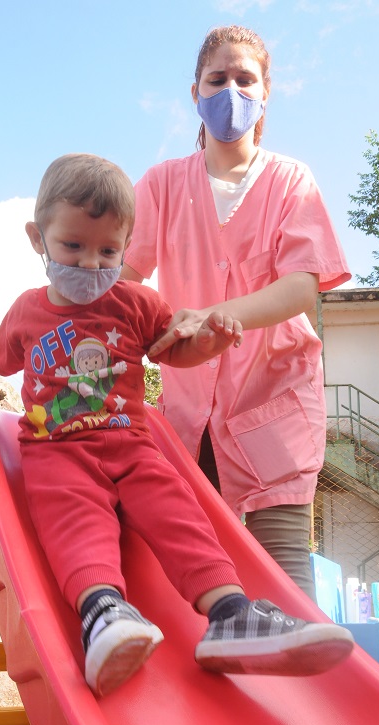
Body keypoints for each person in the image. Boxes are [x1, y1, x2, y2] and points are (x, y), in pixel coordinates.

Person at [0, 153, 353, 697]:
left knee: (180, 513)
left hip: (131, 444)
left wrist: (212, 339)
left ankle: (230, 612)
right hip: (56, 451)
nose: (88, 264)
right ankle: (103, 611)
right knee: (73, 519)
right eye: (73, 246)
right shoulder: (28, 312)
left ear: (127, 245)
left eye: (108, 251)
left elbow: (176, 349)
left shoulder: (134, 302)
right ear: (39, 238)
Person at [123, 25, 351, 602]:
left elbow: (302, 286)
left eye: (245, 80)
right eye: (217, 79)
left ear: (265, 93)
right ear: (194, 92)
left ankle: (311, 688)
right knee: (190, 566)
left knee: (283, 573)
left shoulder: (290, 181)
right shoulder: (161, 185)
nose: (231, 91)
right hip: (189, 409)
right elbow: (124, 275)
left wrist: (217, 314)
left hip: (274, 400)